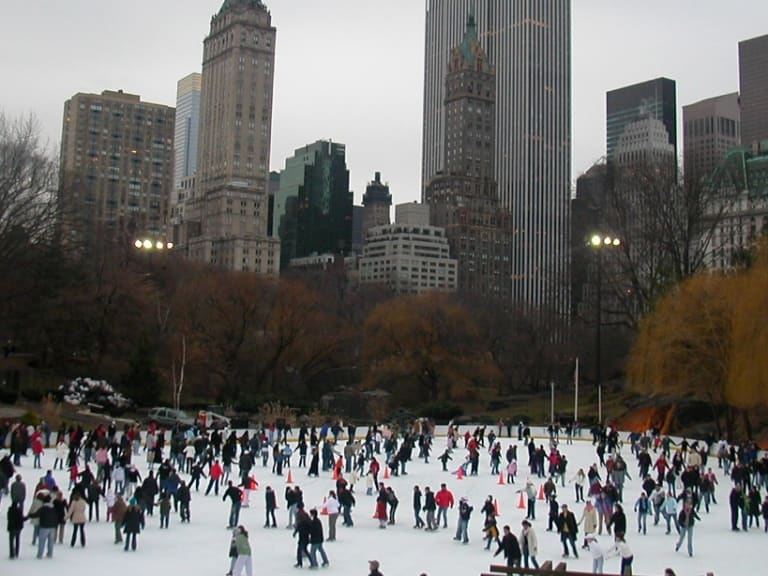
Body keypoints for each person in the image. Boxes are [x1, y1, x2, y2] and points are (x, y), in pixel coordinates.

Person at [27, 493, 57, 559]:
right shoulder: (53, 508)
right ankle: (50, 553)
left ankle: (40, 555)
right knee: (50, 542)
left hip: (44, 526)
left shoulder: (43, 508)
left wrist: (29, 516)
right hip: (52, 527)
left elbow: (36, 515)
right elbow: (55, 517)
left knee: (42, 541)